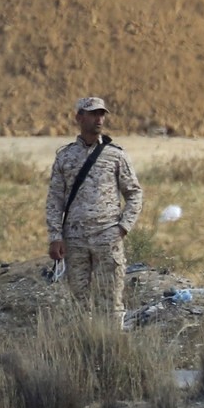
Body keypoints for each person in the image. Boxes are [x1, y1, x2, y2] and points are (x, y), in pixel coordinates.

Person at [45, 96, 143, 327]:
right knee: (78, 303)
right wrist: (55, 236)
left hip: (107, 238)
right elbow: (55, 199)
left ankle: (112, 350)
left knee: (110, 303)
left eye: (102, 114)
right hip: (75, 240)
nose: (99, 119)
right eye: (93, 113)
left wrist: (122, 227)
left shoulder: (116, 155)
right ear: (79, 117)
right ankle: (82, 350)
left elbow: (135, 193)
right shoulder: (65, 156)